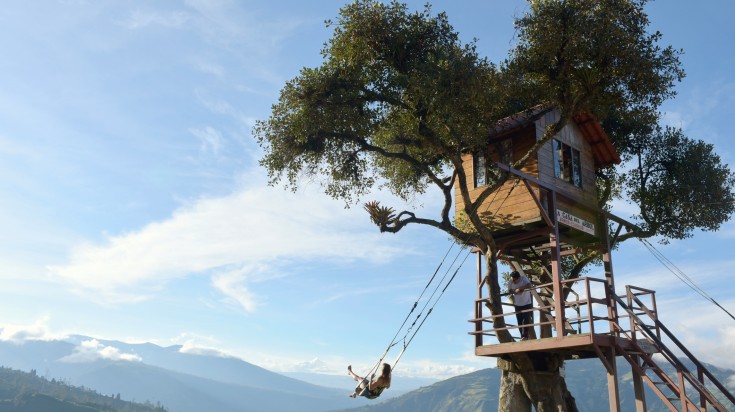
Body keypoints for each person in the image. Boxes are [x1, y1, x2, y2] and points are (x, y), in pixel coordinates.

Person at [508, 271, 534, 340]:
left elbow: (529, 285)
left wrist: (521, 288)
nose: (513, 281)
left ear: (518, 278)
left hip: (527, 303)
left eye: (514, 280)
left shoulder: (523, 278)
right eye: (512, 280)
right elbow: (509, 291)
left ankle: (525, 336)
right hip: (517, 304)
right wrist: (514, 291)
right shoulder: (510, 281)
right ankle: (522, 336)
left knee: (526, 320)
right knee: (519, 321)